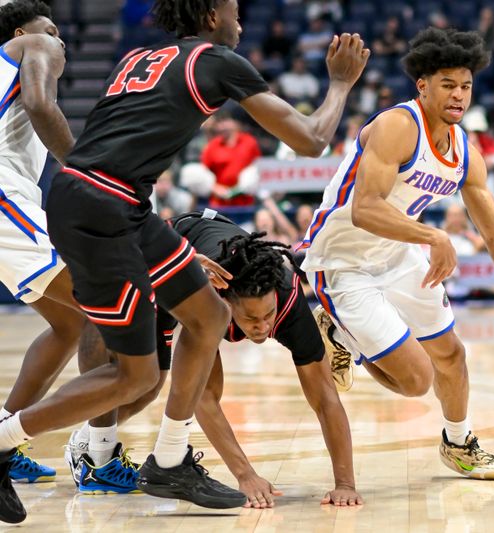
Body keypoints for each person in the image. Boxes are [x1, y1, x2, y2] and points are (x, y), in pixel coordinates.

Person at [0, 0, 369, 521]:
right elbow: (310, 140)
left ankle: (170, 459)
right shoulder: (215, 59)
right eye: (235, 11)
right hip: (101, 207)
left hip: (121, 202)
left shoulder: (140, 57)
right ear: (211, 12)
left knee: (210, 315)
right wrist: (340, 83)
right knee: (136, 377)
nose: (240, 22)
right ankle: (5, 439)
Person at [299, 28, 494, 481]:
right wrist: (434, 237)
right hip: (344, 260)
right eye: (448, 84)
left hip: (400, 252)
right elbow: (365, 209)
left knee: (451, 355)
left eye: (466, 85)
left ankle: (459, 442)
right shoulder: (397, 127)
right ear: (423, 86)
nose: (459, 95)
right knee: (416, 381)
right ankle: (338, 333)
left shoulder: (466, 151)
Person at [94, 210, 360, 507]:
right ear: (225, 302)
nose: (262, 327)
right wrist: (245, 475)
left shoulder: (289, 300)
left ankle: (94, 447)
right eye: (251, 318)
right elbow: (203, 397)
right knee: (146, 384)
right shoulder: (205, 300)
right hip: (172, 258)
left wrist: (345, 484)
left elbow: (325, 397)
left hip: (216, 236)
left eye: (268, 314)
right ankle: (91, 447)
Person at [0, 0, 87, 496]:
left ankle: (6, 446)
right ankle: (99, 455)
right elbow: (39, 104)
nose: (60, 39)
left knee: (70, 322)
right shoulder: (33, 44)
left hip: (12, 203)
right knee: (109, 302)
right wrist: (83, 169)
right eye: (51, 29)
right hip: (3, 200)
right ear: (21, 31)